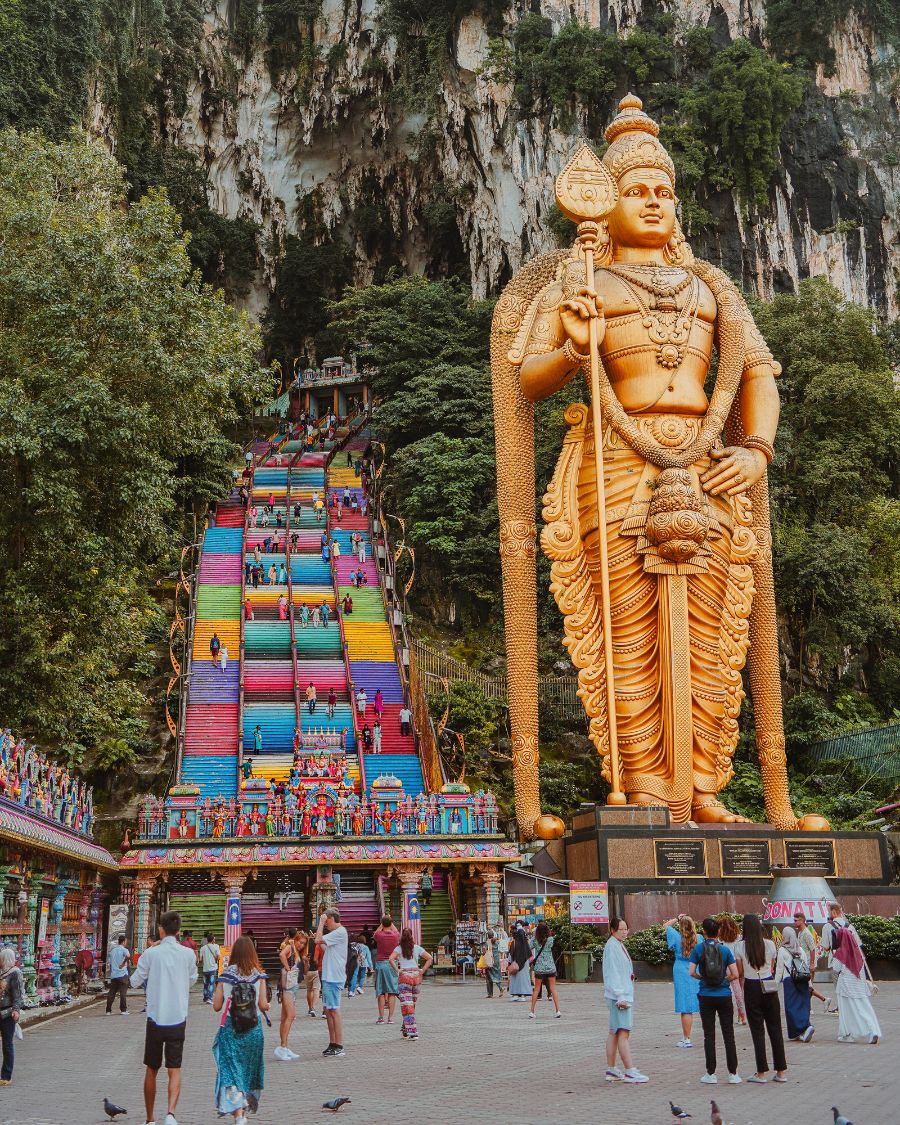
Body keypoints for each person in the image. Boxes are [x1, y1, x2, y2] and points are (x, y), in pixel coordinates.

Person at [130, 910, 198, 1125]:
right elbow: (192, 980)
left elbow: (134, 981)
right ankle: (170, 1114)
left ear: (161, 929)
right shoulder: (188, 954)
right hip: (178, 1016)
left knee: (151, 1068)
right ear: (178, 931)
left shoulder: (151, 954)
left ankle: (150, 1119)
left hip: (155, 1017)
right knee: (174, 1068)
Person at [212, 936, 268, 1122]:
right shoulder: (259, 976)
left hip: (231, 1029)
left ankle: (238, 1113)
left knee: (232, 1071)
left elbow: (217, 1006)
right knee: (249, 1070)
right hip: (254, 1030)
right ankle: (243, 1110)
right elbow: (263, 1005)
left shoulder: (225, 975)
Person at [733, 913, 787, 1083]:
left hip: (751, 986)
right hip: (769, 985)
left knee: (757, 1031)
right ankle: (781, 1072)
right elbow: (771, 967)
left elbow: (740, 972)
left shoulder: (740, 947)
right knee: (775, 1029)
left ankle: (761, 1072)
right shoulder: (771, 945)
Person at [689, 916, 741, 1086]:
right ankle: (733, 1073)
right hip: (724, 995)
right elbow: (735, 974)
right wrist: (724, 981)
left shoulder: (698, 949)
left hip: (705, 995)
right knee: (728, 1035)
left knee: (709, 1035)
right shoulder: (725, 950)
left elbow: (691, 972)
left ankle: (710, 1074)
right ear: (719, 932)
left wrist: (703, 978)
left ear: (703, 932)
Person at [822, 901, 882, 1044]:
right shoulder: (856, 952)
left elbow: (835, 967)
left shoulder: (839, 954)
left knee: (848, 1010)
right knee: (863, 1006)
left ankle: (847, 1033)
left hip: (844, 987)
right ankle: (873, 1029)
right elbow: (859, 945)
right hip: (859, 985)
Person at [602, 916, 648, 1083]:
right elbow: (613, 972)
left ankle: (612, 1069)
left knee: (614, 1032)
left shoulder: (615, 945)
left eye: (625, 929)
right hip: (619, 996)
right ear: (613, 930)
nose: (624, 932)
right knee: (623, 1032)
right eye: (621, 929)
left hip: (618, 994)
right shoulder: (613, 946)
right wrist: (620, 995)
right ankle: (629, 1070)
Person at [389, 928, 433, 1040]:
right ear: (412, 936)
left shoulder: (398, 948)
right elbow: (429, 958)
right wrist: (422, 970)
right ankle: (406, 1027)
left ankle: (412, 1031)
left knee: (407, 1005)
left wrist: (398, 970)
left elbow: (390, 959)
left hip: (404, 978)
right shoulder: (417, 948)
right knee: (411, 1005)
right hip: (416, 978)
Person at [316, 909, 348, 1057]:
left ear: (332, 919)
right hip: (329, 975)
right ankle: (332, 1042)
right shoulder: (336, 934)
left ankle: (339, 1044)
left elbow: (318, 940)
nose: (326, 924)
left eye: (327, 921)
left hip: (334, 976)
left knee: (334, 1010)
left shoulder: (340, 931)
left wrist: (320, 924)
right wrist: (320, 935)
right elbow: (324, 946)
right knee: (328, 1010)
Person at [665, 915, 700, 1047]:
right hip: (695, 970)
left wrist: (677, 918)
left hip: (680, 970)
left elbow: (666, 926)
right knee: (695, 1002)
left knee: (685, 1007)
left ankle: (686, 1039)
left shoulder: (676, 937)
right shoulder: (699, 938)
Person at [778, 926, 815, 1043]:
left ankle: (801, 1029)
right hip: (803, 981)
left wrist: (774, 985)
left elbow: (779, 969)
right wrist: (810, 983)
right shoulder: (801, 950)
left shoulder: (782, 950)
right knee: (803, 1005)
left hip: (789, 981)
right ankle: (803, 1029)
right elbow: (805, 968)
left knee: (791, 1007)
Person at [793, 912, 831, 1009]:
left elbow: (812, 949)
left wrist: (812, 964)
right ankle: (818, 1002)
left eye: (796, 920)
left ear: (801, 920)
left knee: (807, 986)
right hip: (803, 964)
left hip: (807, 964)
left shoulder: (806, 933)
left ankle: (822, 1000)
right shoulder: (801, 932)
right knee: (807, 986)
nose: (794, 922)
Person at [275, 930, 303, 1061]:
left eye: (304, 943)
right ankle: (282, 1047)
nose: (302, 945)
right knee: (290, 1016)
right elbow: (281, 955)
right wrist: (288, 969)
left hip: (291, 986)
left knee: (286, 1017)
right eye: (301, 942)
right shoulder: (290, 947)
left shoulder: (295, 949)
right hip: (287, 986)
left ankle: (284, 1047)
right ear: (296, 940)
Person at [0, 946, 24, 1086]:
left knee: (7, 1044)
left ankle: (6, 1076)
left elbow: (18, 994)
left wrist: (16, 1010)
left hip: (8, 1013)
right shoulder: (1, 973)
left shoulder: (15, 973)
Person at [717, 914, 746, 1025]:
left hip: (729, 967)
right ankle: (742, 1015)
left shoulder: (721, 940)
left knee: (736, 991)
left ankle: (741, 1016)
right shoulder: (739, 938)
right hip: (741, 965)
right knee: (741, 991)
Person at [528, 921, 560, 1018]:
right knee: (553, 989)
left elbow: (529, 947)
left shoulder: (535, 940)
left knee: (536, 990)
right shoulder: (550, 939)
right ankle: (558, 1010)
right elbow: (551, 944)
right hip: (550, 966)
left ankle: (532, 1011)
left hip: (539, 967)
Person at [373, 914, 401, 1024]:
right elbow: (396, 930)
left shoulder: (379, 935)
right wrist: (390, 921)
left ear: (382, 924)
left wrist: (383, 923)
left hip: (380, 964)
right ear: (391, 923)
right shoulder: (396, 935)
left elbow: (375, 933)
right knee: (392, 992)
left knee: (381, 991)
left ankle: (381, 1017)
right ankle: (390, 1018)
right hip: (392, 964)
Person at [106, 934, 132, 1015]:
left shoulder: (113, 951)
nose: (126, 943)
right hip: (122, 974)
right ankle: (123, 1010)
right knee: (123, 993)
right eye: (126, 942)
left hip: (114, 975)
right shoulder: (124, 950)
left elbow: (110, 963)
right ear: (123, 942)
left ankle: (108, 1010)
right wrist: (123, 963)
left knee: (111, 993)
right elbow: (128, 956)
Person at [508, 923, 532, 1001]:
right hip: (524, 964)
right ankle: (523, 995)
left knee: (515, 979)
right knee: (523, 979)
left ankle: (515, 994)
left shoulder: (514, 942)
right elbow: (528, 953)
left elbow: (511, 954)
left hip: (515, 963)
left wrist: (509, 962)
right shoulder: (525, 943)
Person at [483, 929, 504, 999]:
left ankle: (491, 993)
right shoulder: (497, 942)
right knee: (496, 975)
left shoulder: (487, 942)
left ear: (488, 936)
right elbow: (500, 950)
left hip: (490, 961)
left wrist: (483, 954)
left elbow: (484, 951)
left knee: (489, 977)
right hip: (496, 960)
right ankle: (499, 988)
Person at [200, 933, 220, 1005]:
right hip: (213, 969)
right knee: (211, 984)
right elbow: (218, 957)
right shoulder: (216, 946)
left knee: (206, 984)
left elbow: (201, 959)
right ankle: (210, 998)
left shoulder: (202, 948)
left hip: (205, 969)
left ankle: (205, 998)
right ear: (213, 940)